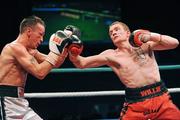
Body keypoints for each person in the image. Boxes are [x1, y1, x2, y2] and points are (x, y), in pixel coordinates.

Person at [68, 21, 180, 119]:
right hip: (136, 104)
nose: (113, 33)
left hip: (161, 98)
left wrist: (150, 36)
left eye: (117, 30)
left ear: (128, 33)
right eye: (111, 33)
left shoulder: (145, 45)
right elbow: (82, 63)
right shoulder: (110, 55)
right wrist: (72, 52)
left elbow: (174, 43)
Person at [0, 15, 80, 119]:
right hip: (6, 101)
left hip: (20, 102)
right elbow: (40, 73)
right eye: (40, 34)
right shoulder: (14, 48)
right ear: (29, 31)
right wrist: (55, 50)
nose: (42, 39)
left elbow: (54, 63)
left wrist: (64, 48)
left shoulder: (30, 51)